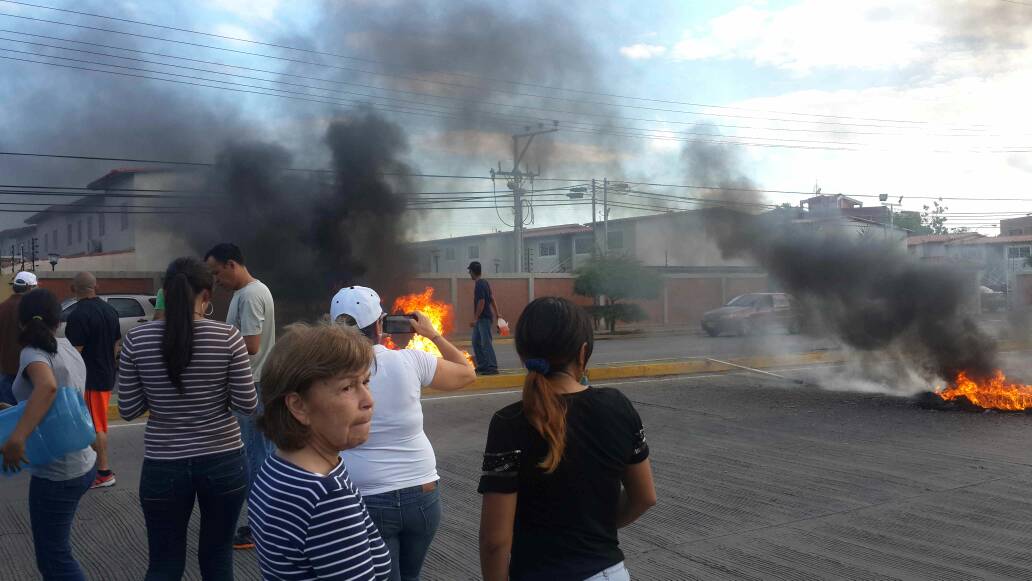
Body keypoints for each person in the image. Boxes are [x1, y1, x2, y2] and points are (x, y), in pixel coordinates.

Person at [478, 297, 657, 581]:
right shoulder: (617, 406)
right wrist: (592, 529)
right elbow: (644, 497)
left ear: (523, 356)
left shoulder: (508, 423)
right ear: (583, 353)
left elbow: (494, 542)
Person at [117, 257, 257, 580]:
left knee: (164, 563)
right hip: (223, 462)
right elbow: (247, 404)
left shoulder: (137, 341)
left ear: (164, 292)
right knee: (218, 558)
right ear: (206, 295)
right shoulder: (229, 338)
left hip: (163, 464)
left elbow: (128, 409)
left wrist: (163, 396)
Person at [332, 286, 476, 580]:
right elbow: (466, 373)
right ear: (380, 324)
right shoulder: (410, 361)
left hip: (366, 497)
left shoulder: (328, 372)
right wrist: (432, 335)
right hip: (423, 494)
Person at [249, 322, 391, 581]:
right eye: (347, 387)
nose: (368, 400)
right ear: (299, 406)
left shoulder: (279, 465)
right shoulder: (327, 497)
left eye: (365, 382)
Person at [1, 288, 97, 580]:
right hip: (82, 461)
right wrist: (13, 410)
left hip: (57, 472)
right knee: (57, 552)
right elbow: (57, 400)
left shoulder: (33, 351)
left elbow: (48, 387)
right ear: (58, 321)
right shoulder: (66, 346)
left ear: (21, 322)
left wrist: (17, 437)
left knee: (54, 558)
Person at [204, 242, 275, 550]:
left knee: (254, 458)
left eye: (217, 272)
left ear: (231, 264)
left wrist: (214, 342)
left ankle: (261, 527)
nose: (215, 280)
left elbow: (251, 345)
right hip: (255, 383)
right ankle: (267, 523)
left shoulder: (250, 295)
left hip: (253, 384)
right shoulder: (245, 293)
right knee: (259, 454)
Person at [64, 271, 121, 489]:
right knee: (97, 424)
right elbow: (116, 344)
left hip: (89, 379)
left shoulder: (78, 315)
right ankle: (93, 469)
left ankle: (104, 472)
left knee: (96, 426)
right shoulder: (110, 310)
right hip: (106, 375)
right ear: (96, 286)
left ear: (72, 289)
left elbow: (75, 352)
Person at [0, 271, 38, 405]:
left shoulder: (2, 307)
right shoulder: (32, 309)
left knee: (7, 414)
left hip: (5, 371)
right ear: (30, 288)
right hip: (29, 371)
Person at [468, 261, 501, 376]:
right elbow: (492, 298)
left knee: (486, 342)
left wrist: (475, 319)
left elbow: (481, 302)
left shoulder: (479, 285)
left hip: (483, 319)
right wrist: (498, 313)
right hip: (483, 318)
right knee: (476, 341)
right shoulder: (485, 283)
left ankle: (492, 367)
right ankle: (482, 365)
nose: (469, 274)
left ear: (472, 272)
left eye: (469, 271)